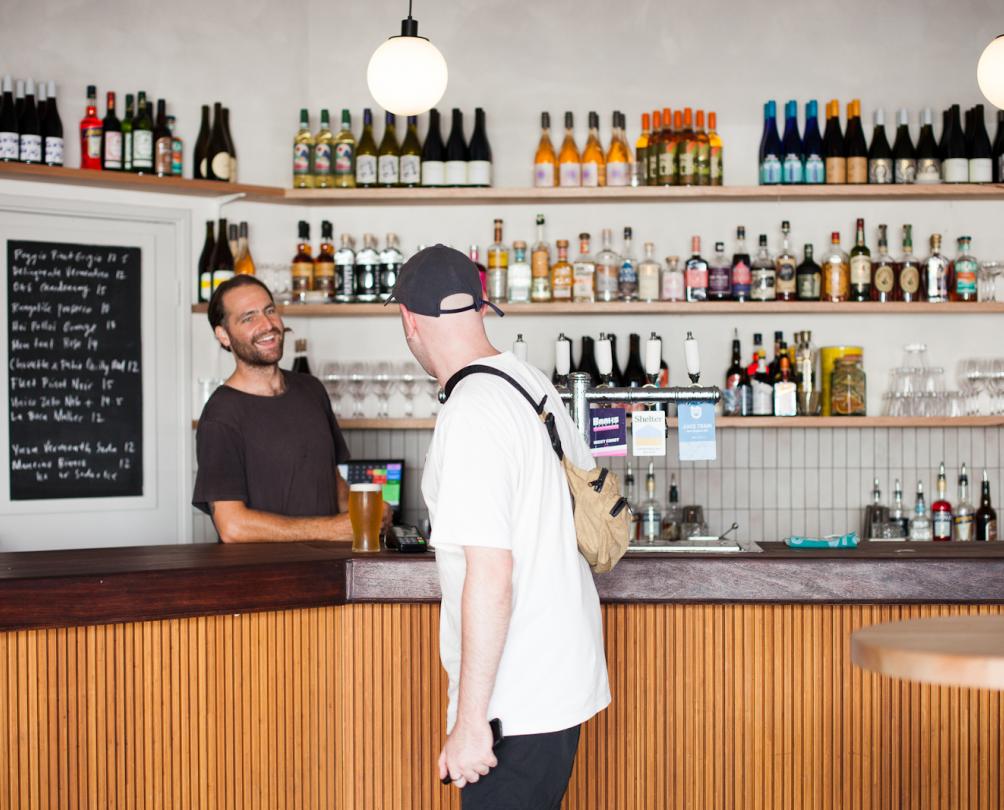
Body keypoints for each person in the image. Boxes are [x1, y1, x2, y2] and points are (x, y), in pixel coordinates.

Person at [389, 245, 610, 809]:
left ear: (408, 320)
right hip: (556, 680)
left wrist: (470, 722)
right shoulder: (529, 384)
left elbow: (491, 573)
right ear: (482, 308)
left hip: (515, 701)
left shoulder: (470, 411)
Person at [192, 274, 390, 542]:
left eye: (269, 310)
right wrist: (333, 530)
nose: (267, 324)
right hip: (266, 580)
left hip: (329, 573)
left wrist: (368, 510)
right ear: (223, 335)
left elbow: (333, 485)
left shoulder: (311, 390)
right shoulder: (220, 415)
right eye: (248, 317)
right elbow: (233, 527)